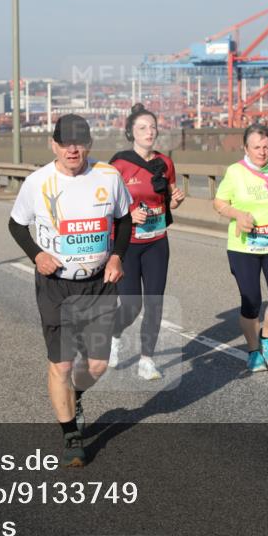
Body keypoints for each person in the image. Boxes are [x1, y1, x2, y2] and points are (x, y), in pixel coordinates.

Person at [8, 114, 132, 468]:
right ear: (54, 145)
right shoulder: (37, 182)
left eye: (79, 143)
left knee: (98, 363)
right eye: (65, 143)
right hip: (57, 285)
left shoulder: (109, 177)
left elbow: (123, 219)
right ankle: (71, 435)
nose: (72, 149)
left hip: (99, 283)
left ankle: (74, 394)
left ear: (89, 145)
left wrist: (117, 256)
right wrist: (36, 254)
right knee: (61, 363)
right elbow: (16, 225)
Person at [212, 124, 268, 372]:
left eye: (266, 147)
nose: (262, 152)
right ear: (246, 148)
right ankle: (253, 351)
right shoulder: (235, 172)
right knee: (251, 301)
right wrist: (237, 214)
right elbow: (219, 202)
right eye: (256, 148)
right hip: (243, 247)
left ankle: (266, 336)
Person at [109, 104, 185, 380]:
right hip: (127, 244)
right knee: (131, 305)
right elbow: (107, 203)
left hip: (157, 240)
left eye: (152, 127)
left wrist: (174, 200)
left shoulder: (165, 163)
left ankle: (146, 360)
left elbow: (167, 196)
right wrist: (129, 213)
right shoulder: (118, 165)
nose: (149, 132)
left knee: (154, 302)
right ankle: (114, 335)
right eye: (142, 128)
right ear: (130, 132)